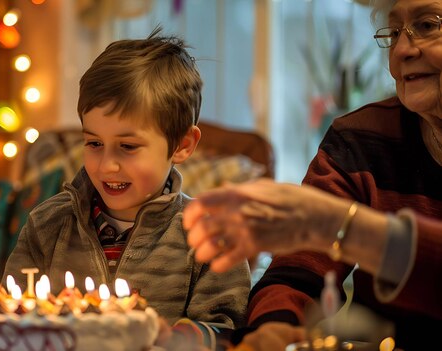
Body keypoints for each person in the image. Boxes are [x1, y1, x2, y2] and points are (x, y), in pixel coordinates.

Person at [183, 0, 442, 349]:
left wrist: (342, 226)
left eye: (428, 25)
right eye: (395, 32)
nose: (402, 49)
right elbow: (296, 273)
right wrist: (274, 327)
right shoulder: (362, 138)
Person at [3, 28, 251, 350]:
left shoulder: (211, 236)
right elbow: (8, 317)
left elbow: (227, 332)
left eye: (128, 146)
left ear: (182, 145)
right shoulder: (47, 225)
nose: (107, 165)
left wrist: (172, 339)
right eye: (94, 143)